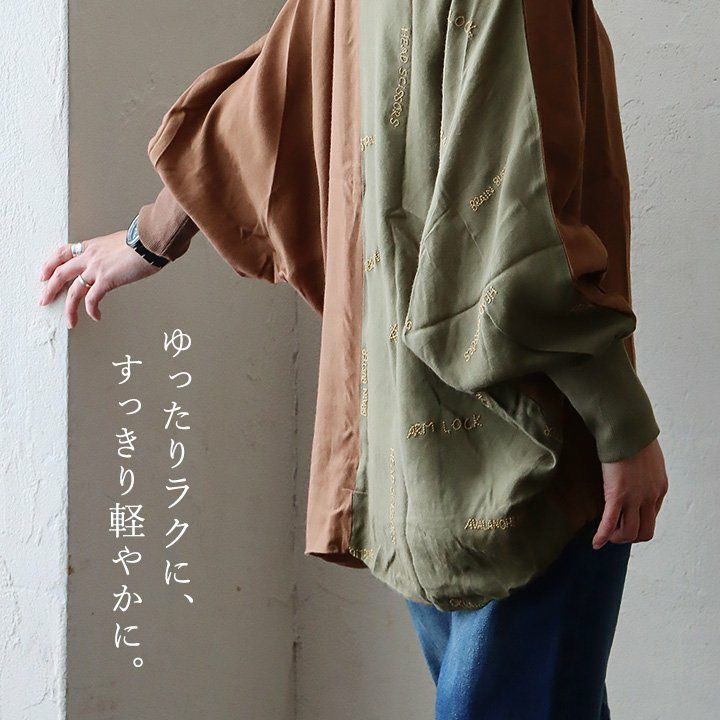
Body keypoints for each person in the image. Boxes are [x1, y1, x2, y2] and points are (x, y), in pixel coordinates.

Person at [38, 1, 669, 717]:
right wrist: (620, 422)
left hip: (406, 447)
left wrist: (150, 236)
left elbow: (267, 94)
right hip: (530, 447)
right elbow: (522, 246)